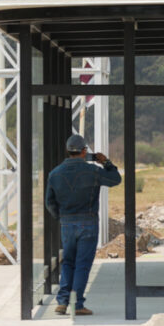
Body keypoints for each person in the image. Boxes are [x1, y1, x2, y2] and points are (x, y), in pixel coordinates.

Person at [45, 133, 122, 316]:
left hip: (67, 224)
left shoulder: (54, 174)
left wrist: (61, 218)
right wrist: (106, 162)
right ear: (84, 151)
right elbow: (115, 179)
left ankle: (62, 302)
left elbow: (50, 203)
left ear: (68, 151)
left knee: (68, 262)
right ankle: (77, 304)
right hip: (88, 223)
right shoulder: (93, 171)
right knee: (82, 264)